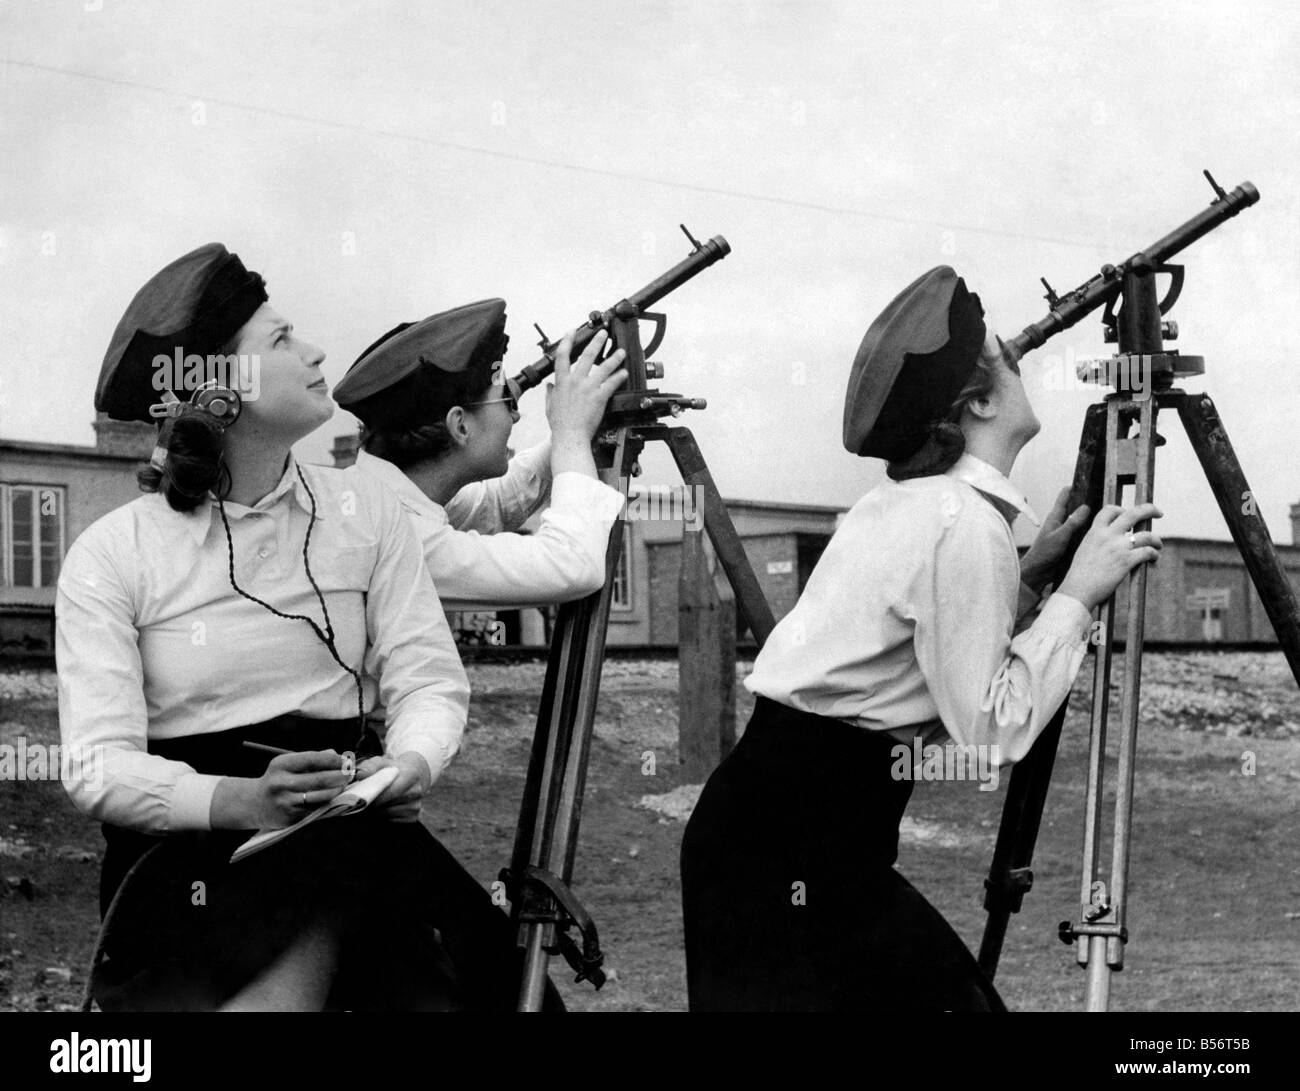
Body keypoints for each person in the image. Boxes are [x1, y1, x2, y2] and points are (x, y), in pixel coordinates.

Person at [57, 243, 548, 1011]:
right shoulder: (113, 554)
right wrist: (243, 801)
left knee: (501, 990)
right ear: (219, 392)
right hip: (192, 857)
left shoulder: (369, 511)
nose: (316, 351)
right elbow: (96, 766)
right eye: (281, 340)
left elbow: (427, 679)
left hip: (352, 824)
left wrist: (409, 765)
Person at [679, 265, 1163, 1012]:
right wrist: (1076, 594)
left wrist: (1031, 579)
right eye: (1001, 357)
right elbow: (992, 729)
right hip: (798, 848)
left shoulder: (916, 505)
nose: (1018, 356)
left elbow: (920, 634)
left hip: (767, 830)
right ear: (976, 403)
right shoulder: (964, 523)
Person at [331, 301, 627, 611]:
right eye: (505, 402)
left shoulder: (380, 495)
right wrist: (572, 438)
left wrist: (574, 425)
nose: (515, 418)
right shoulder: (392, 535)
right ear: (460, 426)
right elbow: (571, 565)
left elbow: (494, 503)